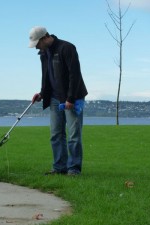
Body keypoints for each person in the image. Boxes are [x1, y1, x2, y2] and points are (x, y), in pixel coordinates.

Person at [29, 26, 88, 176]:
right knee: (56, 134)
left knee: (74, 135)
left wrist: (71, 98)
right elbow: (46, 76)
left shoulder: (67, 48)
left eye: (37, 43)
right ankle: (59, 167)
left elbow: (74, 74)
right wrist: (42, 93)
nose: (37, 47)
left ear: (44, 38)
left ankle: (74, 168)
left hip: (72, 98)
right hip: (54, 98)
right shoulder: (44, 53)